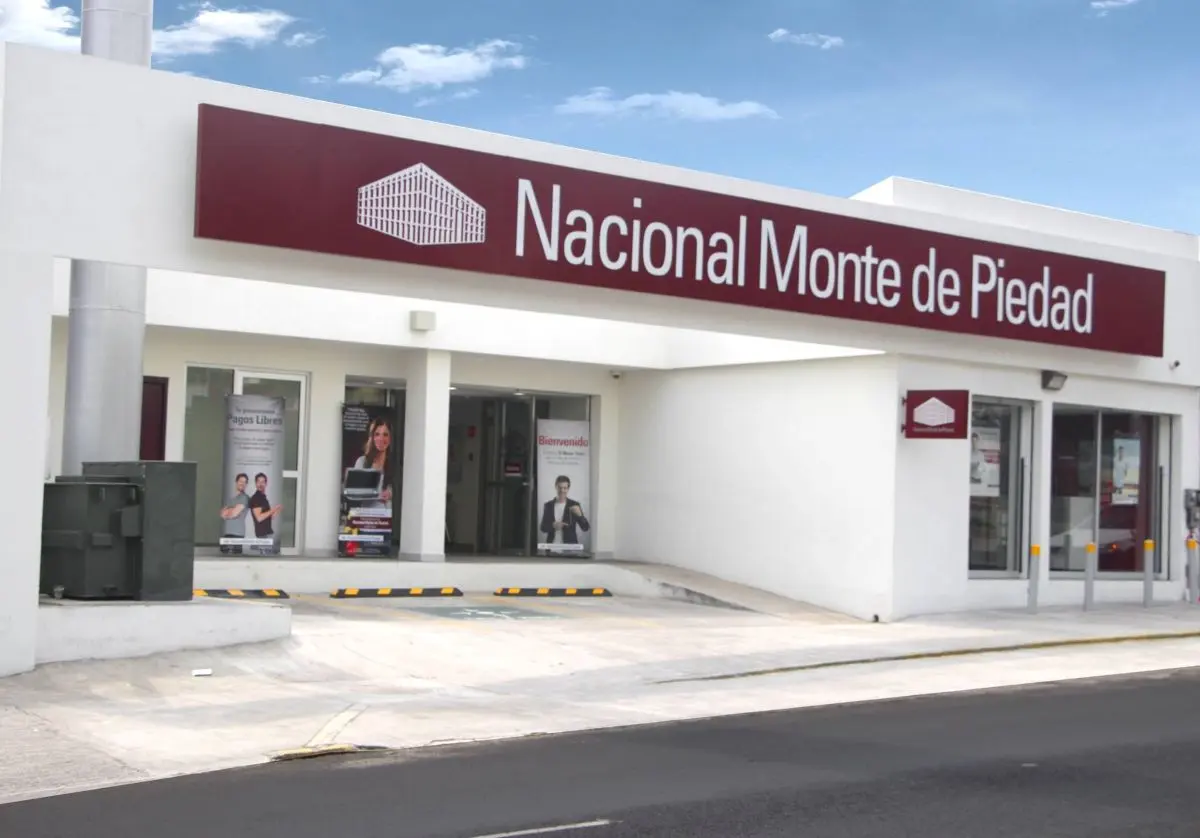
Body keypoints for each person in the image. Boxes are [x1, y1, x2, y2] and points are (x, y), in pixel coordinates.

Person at [351, 416, 394, 507]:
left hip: (389, 514)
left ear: (390, 438)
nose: (381, 439)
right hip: (367, 514)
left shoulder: (395, 464)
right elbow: (354, 493)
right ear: (372, 437)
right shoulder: (362, 462)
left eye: (385, 434)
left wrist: (390, 493)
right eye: (377, 434)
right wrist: (374, 494)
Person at [539, 474, 589, 548]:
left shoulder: (574, 504)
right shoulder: (548, 505)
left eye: (565, 488)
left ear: (568, 489)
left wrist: (580, 516)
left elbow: (585, 528)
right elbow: (543, 528)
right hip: (551, 548)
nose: (562, 490)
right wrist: (553, 525)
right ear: (556, 487)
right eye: (560, 487)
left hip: (570, 549)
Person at [219, 472, 251, 551]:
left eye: (245, 482)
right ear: (236, 482)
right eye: (241, 481)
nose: (242, 484)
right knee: (223, 556)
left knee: (236, 557)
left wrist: (229, 511)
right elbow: (222, 514)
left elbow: (234, 514)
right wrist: (232, 510)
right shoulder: (231, 499)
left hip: (238, 533)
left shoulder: (245, 498)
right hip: (226, 533)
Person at [248, 472, 283, 541]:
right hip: (263, 535)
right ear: (256, 483)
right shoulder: (256, 498)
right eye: (258, 482)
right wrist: (274, 509)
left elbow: (269, 517)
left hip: (268, 534)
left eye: (263, 482)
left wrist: (277, 510)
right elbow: (259, 518)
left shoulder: (263, 498)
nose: (260, 484)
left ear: (266, 484)